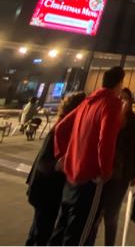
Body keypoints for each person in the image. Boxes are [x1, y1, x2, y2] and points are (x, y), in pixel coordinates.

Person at [49, 66, 125, 246]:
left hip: (71, 176)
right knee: (81, 235)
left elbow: (60, 128)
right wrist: (105, 171)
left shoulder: (87, 102)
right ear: (119, 83)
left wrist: (63, 155)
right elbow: (105, 140)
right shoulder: (112, 103)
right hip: (90, 178)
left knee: (60, 230)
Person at [25, 92, 86, 246]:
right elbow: (43, 162)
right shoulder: (62, 127)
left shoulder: (65, 126)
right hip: (46, 189)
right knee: (41, 233)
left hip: (48, 189)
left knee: (39, 231)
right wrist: (57, 164)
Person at [88, 88, 135, 245]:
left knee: (112, 214)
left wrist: (134, 173)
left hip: (122, 174)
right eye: (120, 98)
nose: (123, 101)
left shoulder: (134, 120)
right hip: (104, 171)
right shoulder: (110, 117)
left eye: (126, 99)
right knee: (96, 214)